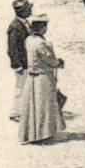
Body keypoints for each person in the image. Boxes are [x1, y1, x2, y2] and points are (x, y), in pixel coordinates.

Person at [19, 15, 66, 145]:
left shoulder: (29, 40)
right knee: (44, 105)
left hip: (32, 77)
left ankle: (32, 133)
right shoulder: (41, 43)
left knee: (32, 105)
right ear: (42, 28)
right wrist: (59, 62)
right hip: (43, 78)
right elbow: (50, 60)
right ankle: (43, 133)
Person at [6, 0, 32, 121]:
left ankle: (22, 110)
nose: (31, 11)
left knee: (24, 87)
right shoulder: (15, 27)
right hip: (22, 64)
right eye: (29, 9)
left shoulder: (24, 23)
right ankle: (15, 112)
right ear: (23, 11)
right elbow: (12, 48)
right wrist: (17, 66)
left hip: (26, 62)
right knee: (20, 88)